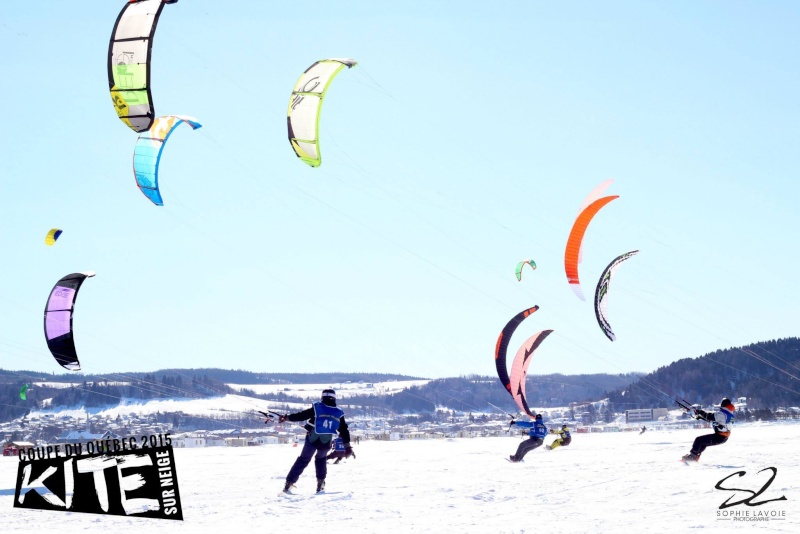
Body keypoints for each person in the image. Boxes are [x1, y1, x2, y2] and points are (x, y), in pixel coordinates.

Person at [278, 389, 353, 493]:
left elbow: (302, 415)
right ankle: (320, 483)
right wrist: (348, 446)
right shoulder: (338, 412)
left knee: (303, 459)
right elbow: (344, 430)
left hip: (312, 438)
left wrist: (287, 418)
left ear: (322, 397)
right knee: (321, 459)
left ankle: (289, 483)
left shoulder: (317, 408)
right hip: (326, 441)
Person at [682, 397, 735, 463]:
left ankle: (692, 457)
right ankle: (695, 457)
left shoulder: (722, 413)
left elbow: (709, 416)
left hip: (719, 437)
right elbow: (719, 422)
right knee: (703, 443)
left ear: (723, 405)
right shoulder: (731, 415)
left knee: (698, 440)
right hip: (724, 437)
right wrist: (701, 416)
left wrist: (700, 412)